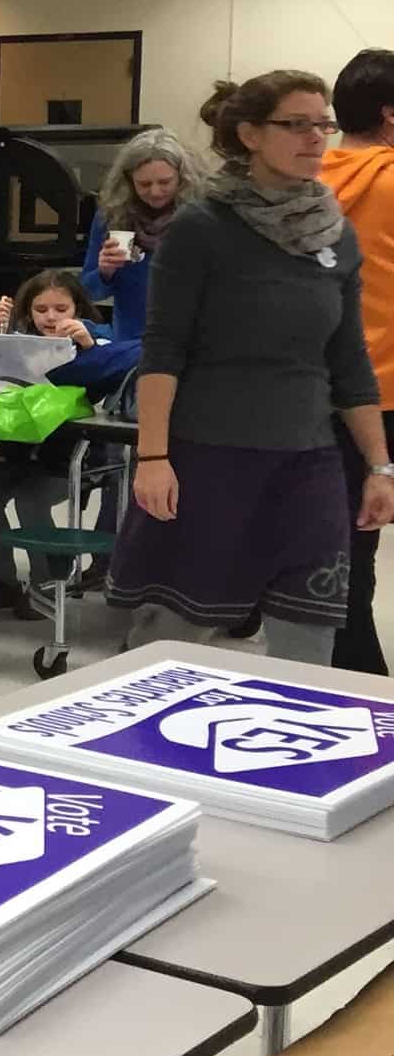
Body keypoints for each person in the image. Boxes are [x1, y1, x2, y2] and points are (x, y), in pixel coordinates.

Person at [108, 73, 391, 664]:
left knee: (311, 634)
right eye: (297, 124)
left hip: (309, 460)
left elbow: (348, 360)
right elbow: (164, 350)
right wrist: (153, 459)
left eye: (324, 124)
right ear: (250, 135)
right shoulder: (202, 227)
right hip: (209, 456)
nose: (316, 137)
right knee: (178, 637)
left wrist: (379, 466)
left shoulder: (334, 232)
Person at [0, 272, 136, 621]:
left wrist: (88, 345)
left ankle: (45, 582)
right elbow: (0, 381)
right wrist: (0, 333)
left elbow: (110, 374)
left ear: (78, 308)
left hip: (72, 459)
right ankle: (4, 581)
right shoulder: (22, 341)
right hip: (20, 451)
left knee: (31, 500)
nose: (51, 317)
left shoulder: (98, 340)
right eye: (41, 309)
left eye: (61, 308)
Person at [326, 49, 394, 674]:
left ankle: (348, 668)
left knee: (347, 542)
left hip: (321, 390)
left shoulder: (306, 179)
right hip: (389, 392)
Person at [83, 127, 203, 340]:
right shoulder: (111, 217)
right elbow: (88, 293)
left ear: (182, 178)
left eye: (165, 182)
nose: (155, 192)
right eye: (144, 184)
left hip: (194, 340)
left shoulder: (201, 217)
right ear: (129, 181)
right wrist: (104, 272)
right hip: (133, 343)